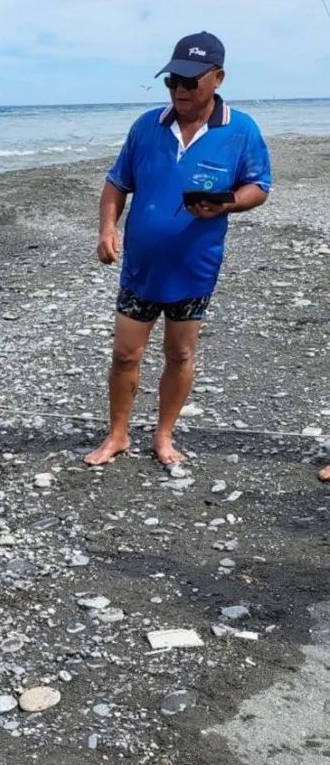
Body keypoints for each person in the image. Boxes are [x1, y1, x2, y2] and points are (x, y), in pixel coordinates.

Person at [85, 33, 272, 467]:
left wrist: (228, 203)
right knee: (125, 353)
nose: (180, 90)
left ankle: (163, 436)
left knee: (180, 353)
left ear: (218, 78)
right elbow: (117, 182)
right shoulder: (147, 125)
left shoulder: (240, 130)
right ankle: (117, 435)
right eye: (173, 81)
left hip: (195, 266)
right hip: (142, 267)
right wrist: (106, 230)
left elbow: (259, 187)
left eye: (190, 82)